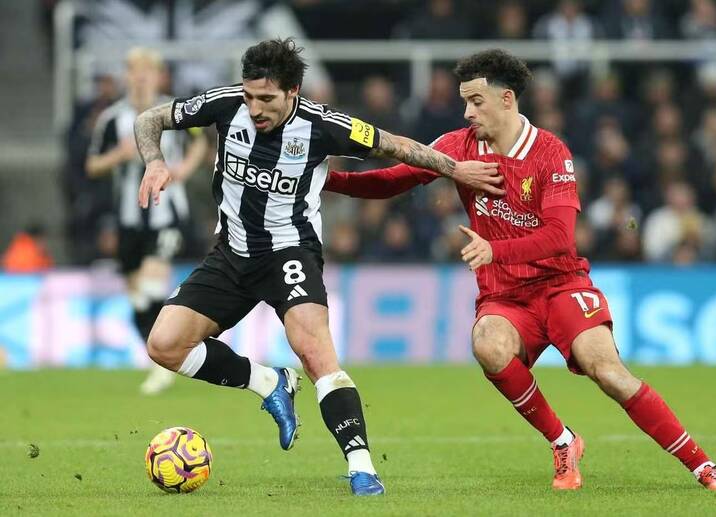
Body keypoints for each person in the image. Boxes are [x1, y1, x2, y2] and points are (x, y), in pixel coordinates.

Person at [324, 49, 716, 491]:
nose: (467, 112)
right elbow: (392, 180)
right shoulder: (457, 147)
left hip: (560, 284)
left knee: (609, 372)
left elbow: (560, 237)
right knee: (487, 343)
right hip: (504, 296)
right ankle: (562, 440)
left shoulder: (550, 153)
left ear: (506, 99)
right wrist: (328, 180)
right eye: (465, 101)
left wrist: (494, 250)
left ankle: (702, 465)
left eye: (476, 101)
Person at [132, 38, 502, 496]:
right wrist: (153, 161)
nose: (254, 108)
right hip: (230, 252)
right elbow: (150, 118)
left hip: (290, 254)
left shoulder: (325, 125)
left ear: (293, 91)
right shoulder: (225, 104)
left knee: (315, 353)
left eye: (266, 99)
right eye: (249, 97)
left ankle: (362, 466)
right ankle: (269, 383)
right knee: (164, 345)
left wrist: (455, 169)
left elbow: (397, 145)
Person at [86, 48, 208, 395]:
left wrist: (184, 167)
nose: (139, 77)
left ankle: (170, 358)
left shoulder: (176, 111)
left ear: (158, 76)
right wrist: (118, 156)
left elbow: (201, 141)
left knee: (153, 284)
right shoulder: (112, 118)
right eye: (133, 70)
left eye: (146, 70)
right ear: (126, 76)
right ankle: (163, 358)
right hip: (129, 219)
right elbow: (92, 166)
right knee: (138, 298)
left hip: (167, 215)